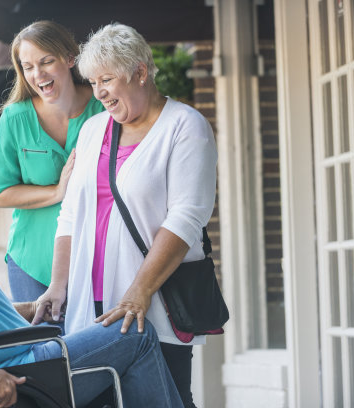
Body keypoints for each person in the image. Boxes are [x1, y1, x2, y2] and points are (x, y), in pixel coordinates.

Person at [0, 131, 183, 408]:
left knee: (87, 325)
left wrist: (31, 308)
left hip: (5, 359)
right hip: (22, 370)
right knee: (134, 334)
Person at [33, 23, 217, 408]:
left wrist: (140, 291)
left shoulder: (185, 127)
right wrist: (58, 285)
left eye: (107, 79)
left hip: (155, 308)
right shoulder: (93, 129)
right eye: (92, 81)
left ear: (140, 72)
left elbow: (187, 217)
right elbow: (70, 215)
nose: (98, 91)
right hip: (90, 311)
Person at [0, 20, 104, 302]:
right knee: (43, 346)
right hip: (32, 263)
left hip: (97, 257)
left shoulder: (103, 109)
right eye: (28, 67)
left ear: (70, 58)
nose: (37, 74)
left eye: (46, 61)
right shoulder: (15, 119)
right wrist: (56, 192)